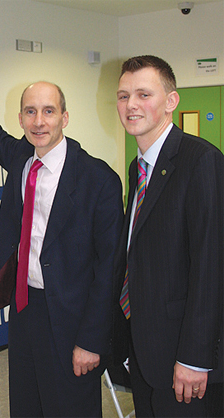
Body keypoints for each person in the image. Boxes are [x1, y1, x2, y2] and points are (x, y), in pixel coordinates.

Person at [0, 18, 123, 417]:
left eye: (49, 111)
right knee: (27, 406)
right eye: (30, 112)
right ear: (22, 119)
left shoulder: (98, 179)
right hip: (25, 310)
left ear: (65, 118)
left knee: (70, 409)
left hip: (72, 318)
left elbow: (110, 269)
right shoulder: (20, 160)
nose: (39, 121)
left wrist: (92, 339)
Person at [113, 55, 223, 417]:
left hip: (184, 359)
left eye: (144, 94)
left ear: (171, 102)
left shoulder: (201, 161)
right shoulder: (138, 166)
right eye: (123, 95)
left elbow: (211, 267)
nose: (131, 105)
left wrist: (195, 357)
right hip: (145, 351)